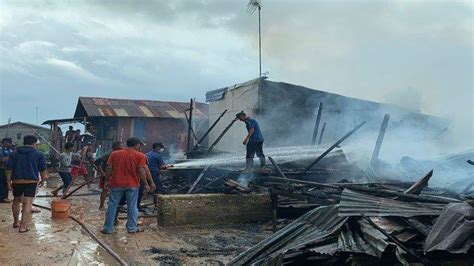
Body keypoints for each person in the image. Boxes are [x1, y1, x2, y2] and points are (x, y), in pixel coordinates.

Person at [101, 137, 154, 234]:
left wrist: (106, 180)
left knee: (112, 205)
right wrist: (146, 183)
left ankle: (107, 228)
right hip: (132, 185)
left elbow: (109, 168)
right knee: (132, 206)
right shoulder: (140, 155)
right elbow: (142, 170)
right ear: (137, 145)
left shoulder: (115, 154)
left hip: (116, 184)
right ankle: (132, 228)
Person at [6, 135, 47, 233]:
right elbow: (42, 169)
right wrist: (43, 180)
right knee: (28, 203)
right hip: (31, 181)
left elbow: (8, 169)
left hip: (17, 181)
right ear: (34, 144)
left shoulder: (14, 153)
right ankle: (23, 227)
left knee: (16, 200)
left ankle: (16, 222)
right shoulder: (38, 154)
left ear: (24, 142)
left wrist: (8, 181)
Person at [95, 141, 123, 210]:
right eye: (121, 146)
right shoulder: (109, 154)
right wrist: (102, 172)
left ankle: (115, 205)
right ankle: (101, 206)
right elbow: (97, 162)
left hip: (114, 174)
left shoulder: (119, 153)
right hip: (107, 173)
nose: (123, 147)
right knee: (105, 190)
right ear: (116, 147)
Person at [0, 138, 14, 203]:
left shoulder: (10, 150)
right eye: (9, 142)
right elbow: (1, 160)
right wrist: (10, 157)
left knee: (7, 183)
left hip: (8, 170)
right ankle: (2, 198)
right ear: (5, 142)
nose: (10, 144)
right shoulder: (1, 150)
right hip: (2, 169)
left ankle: (5, 197)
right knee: (2, 184)